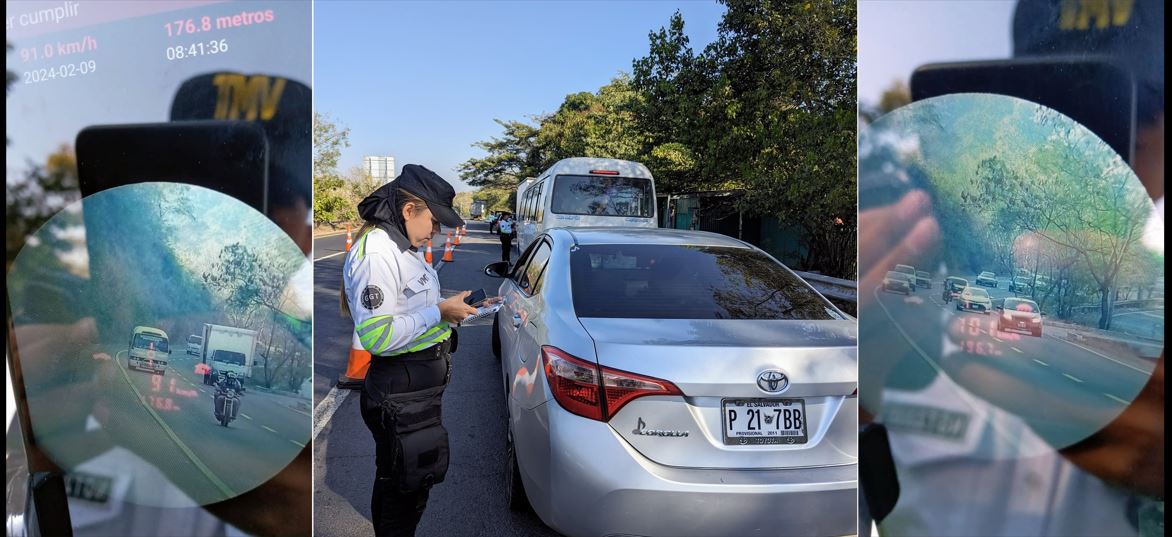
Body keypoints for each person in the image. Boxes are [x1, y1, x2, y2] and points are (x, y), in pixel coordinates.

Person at [340, 164, 480, 537]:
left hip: (414, 392)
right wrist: (439, 311)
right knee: (406, 489)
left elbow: (414, 311)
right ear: (408, 210)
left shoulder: (406, 245)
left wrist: (449, 311)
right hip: (398, 394)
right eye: (434, 221)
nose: (437, 231)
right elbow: (378, 337)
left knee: (402, 482)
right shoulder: (378, 253)